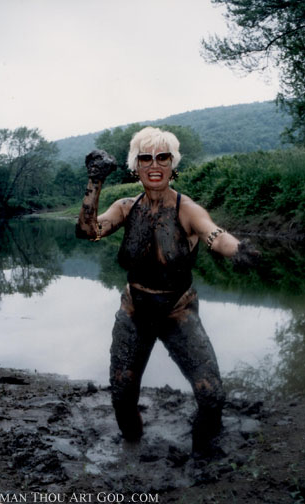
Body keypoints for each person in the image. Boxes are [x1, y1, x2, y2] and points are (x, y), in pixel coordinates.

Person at [76, 126, 259, 453]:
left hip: (178, 310)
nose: (154, 165)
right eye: (146, 158)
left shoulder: (185, 208)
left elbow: (213, 234)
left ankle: (204, 452)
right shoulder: (125, 207)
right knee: (121, 393)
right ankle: (131, 448)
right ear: (136, 167)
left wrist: (238, 249)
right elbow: (88, 232)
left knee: (211, 395)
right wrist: (95, 181)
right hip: (134, 309)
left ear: (174, 165)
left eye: (163, 157)